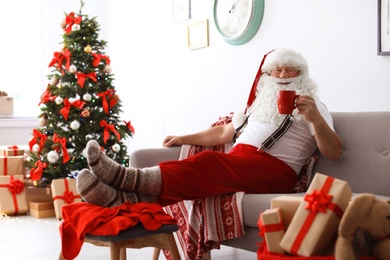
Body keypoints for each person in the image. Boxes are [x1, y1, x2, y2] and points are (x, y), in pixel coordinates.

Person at [76, 48, 342, 208]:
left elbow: (333, 152)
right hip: (240, 162)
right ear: (268, 76)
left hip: (276, 170)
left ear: (302, 75)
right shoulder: (257, 105)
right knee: (206, 175)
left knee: (209, 162)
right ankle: (122, 202)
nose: (283, 76)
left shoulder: (314, 106)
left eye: (290, 71)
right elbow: (224, 133)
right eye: (277, 71)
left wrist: (315, 118)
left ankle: (126, 177)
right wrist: (183, 137)